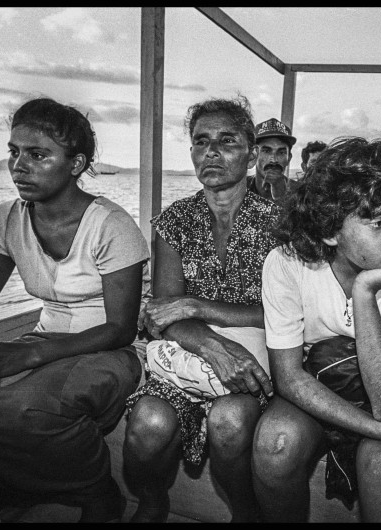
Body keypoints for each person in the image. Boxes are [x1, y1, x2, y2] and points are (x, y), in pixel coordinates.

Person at [0, 98, 150, 522]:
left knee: (26, 409)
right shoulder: (6, 219)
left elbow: (121, 329)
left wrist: (28, 354)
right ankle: (28, 484)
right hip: (45, 339)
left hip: (112, 350)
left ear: (76, 164)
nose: (19, 166)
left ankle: (98, 495)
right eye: (14, 152)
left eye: (38, 154)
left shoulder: (111, 224)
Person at [252, 137, 381, 522]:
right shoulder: (288, 264)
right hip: (320, 386)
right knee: (276, 444)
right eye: (378, 222)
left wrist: (365, 291)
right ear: (330, 231)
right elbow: (289, 377)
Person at [122, 95, 279, 522]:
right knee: (147, 426)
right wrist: (211, 345)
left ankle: (244, 512)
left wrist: (196, 305)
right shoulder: (174, 221)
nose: (211, 151)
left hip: (256, 360)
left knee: (229, 423)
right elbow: (162, 314)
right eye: (200, 141)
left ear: (251, 154)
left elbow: (289, 315)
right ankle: (154, 502)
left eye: (226, 141)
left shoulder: (281, 222)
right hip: (188, 355)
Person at [247, 118, 297, 204]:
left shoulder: (301, 193)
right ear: (253, 155)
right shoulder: (238, 189)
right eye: (266, 151)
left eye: (281, 152)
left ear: (289, 158)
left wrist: (283, 198)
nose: (274, 160)